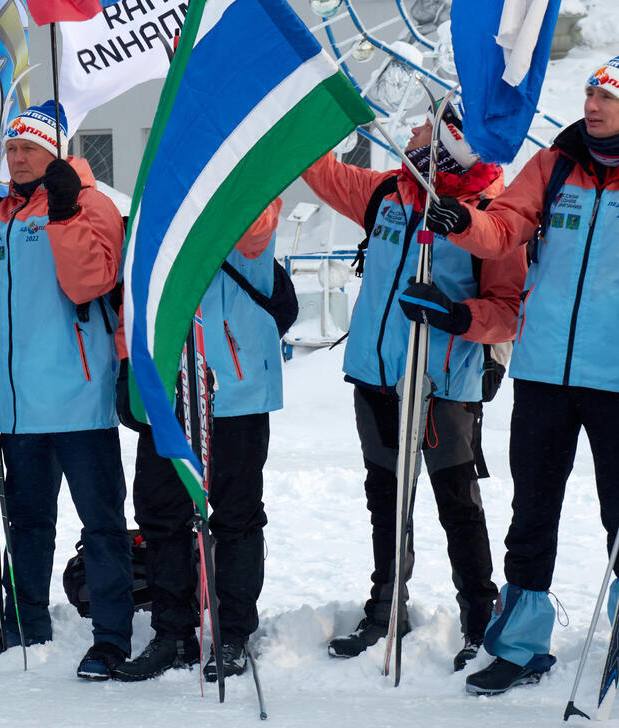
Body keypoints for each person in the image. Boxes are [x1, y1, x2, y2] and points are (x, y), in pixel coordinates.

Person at [303, 106, 518, 673]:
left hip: (443, 383)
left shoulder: (491, 215)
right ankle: (385, 606)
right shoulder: (387, 192)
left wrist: (454, 315)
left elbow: (509, 312)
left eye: (427, 128)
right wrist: (305, 115)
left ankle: (479, 616)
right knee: (385, 498)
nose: (413, 132)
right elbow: (320, 171)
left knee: (457, 504)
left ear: (450, 147)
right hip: (375, 376)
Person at [427, 65, 619, 695]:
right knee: (533, 509)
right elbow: (504, 226)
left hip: (616, 378)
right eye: (590, 93)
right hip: (542, 373)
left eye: (607, 97)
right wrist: (462, 222)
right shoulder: (554, 164)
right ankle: (521, 644)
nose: (592, 105)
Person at [0, 100, 134, 681]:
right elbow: (6, 293)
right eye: (11, 149)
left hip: (79, 395)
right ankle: (25, 619)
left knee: (100, 523)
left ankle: (111, 637)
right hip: (17, 399)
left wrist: (67, 210)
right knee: (27, 523)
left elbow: (91, 283)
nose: (17, 159)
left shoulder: (92, 204)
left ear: (55, 151)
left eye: (29, 148)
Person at [117, 200, 283, 683]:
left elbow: (254, 232)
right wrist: (132, 368)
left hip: (237, 384)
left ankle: (232, 633)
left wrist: (205, 195)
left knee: (236, 515)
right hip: (170, 383)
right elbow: (135, 291)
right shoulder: (157, 196)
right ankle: (173, 632)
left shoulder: (249, 185)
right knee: (159, 509)